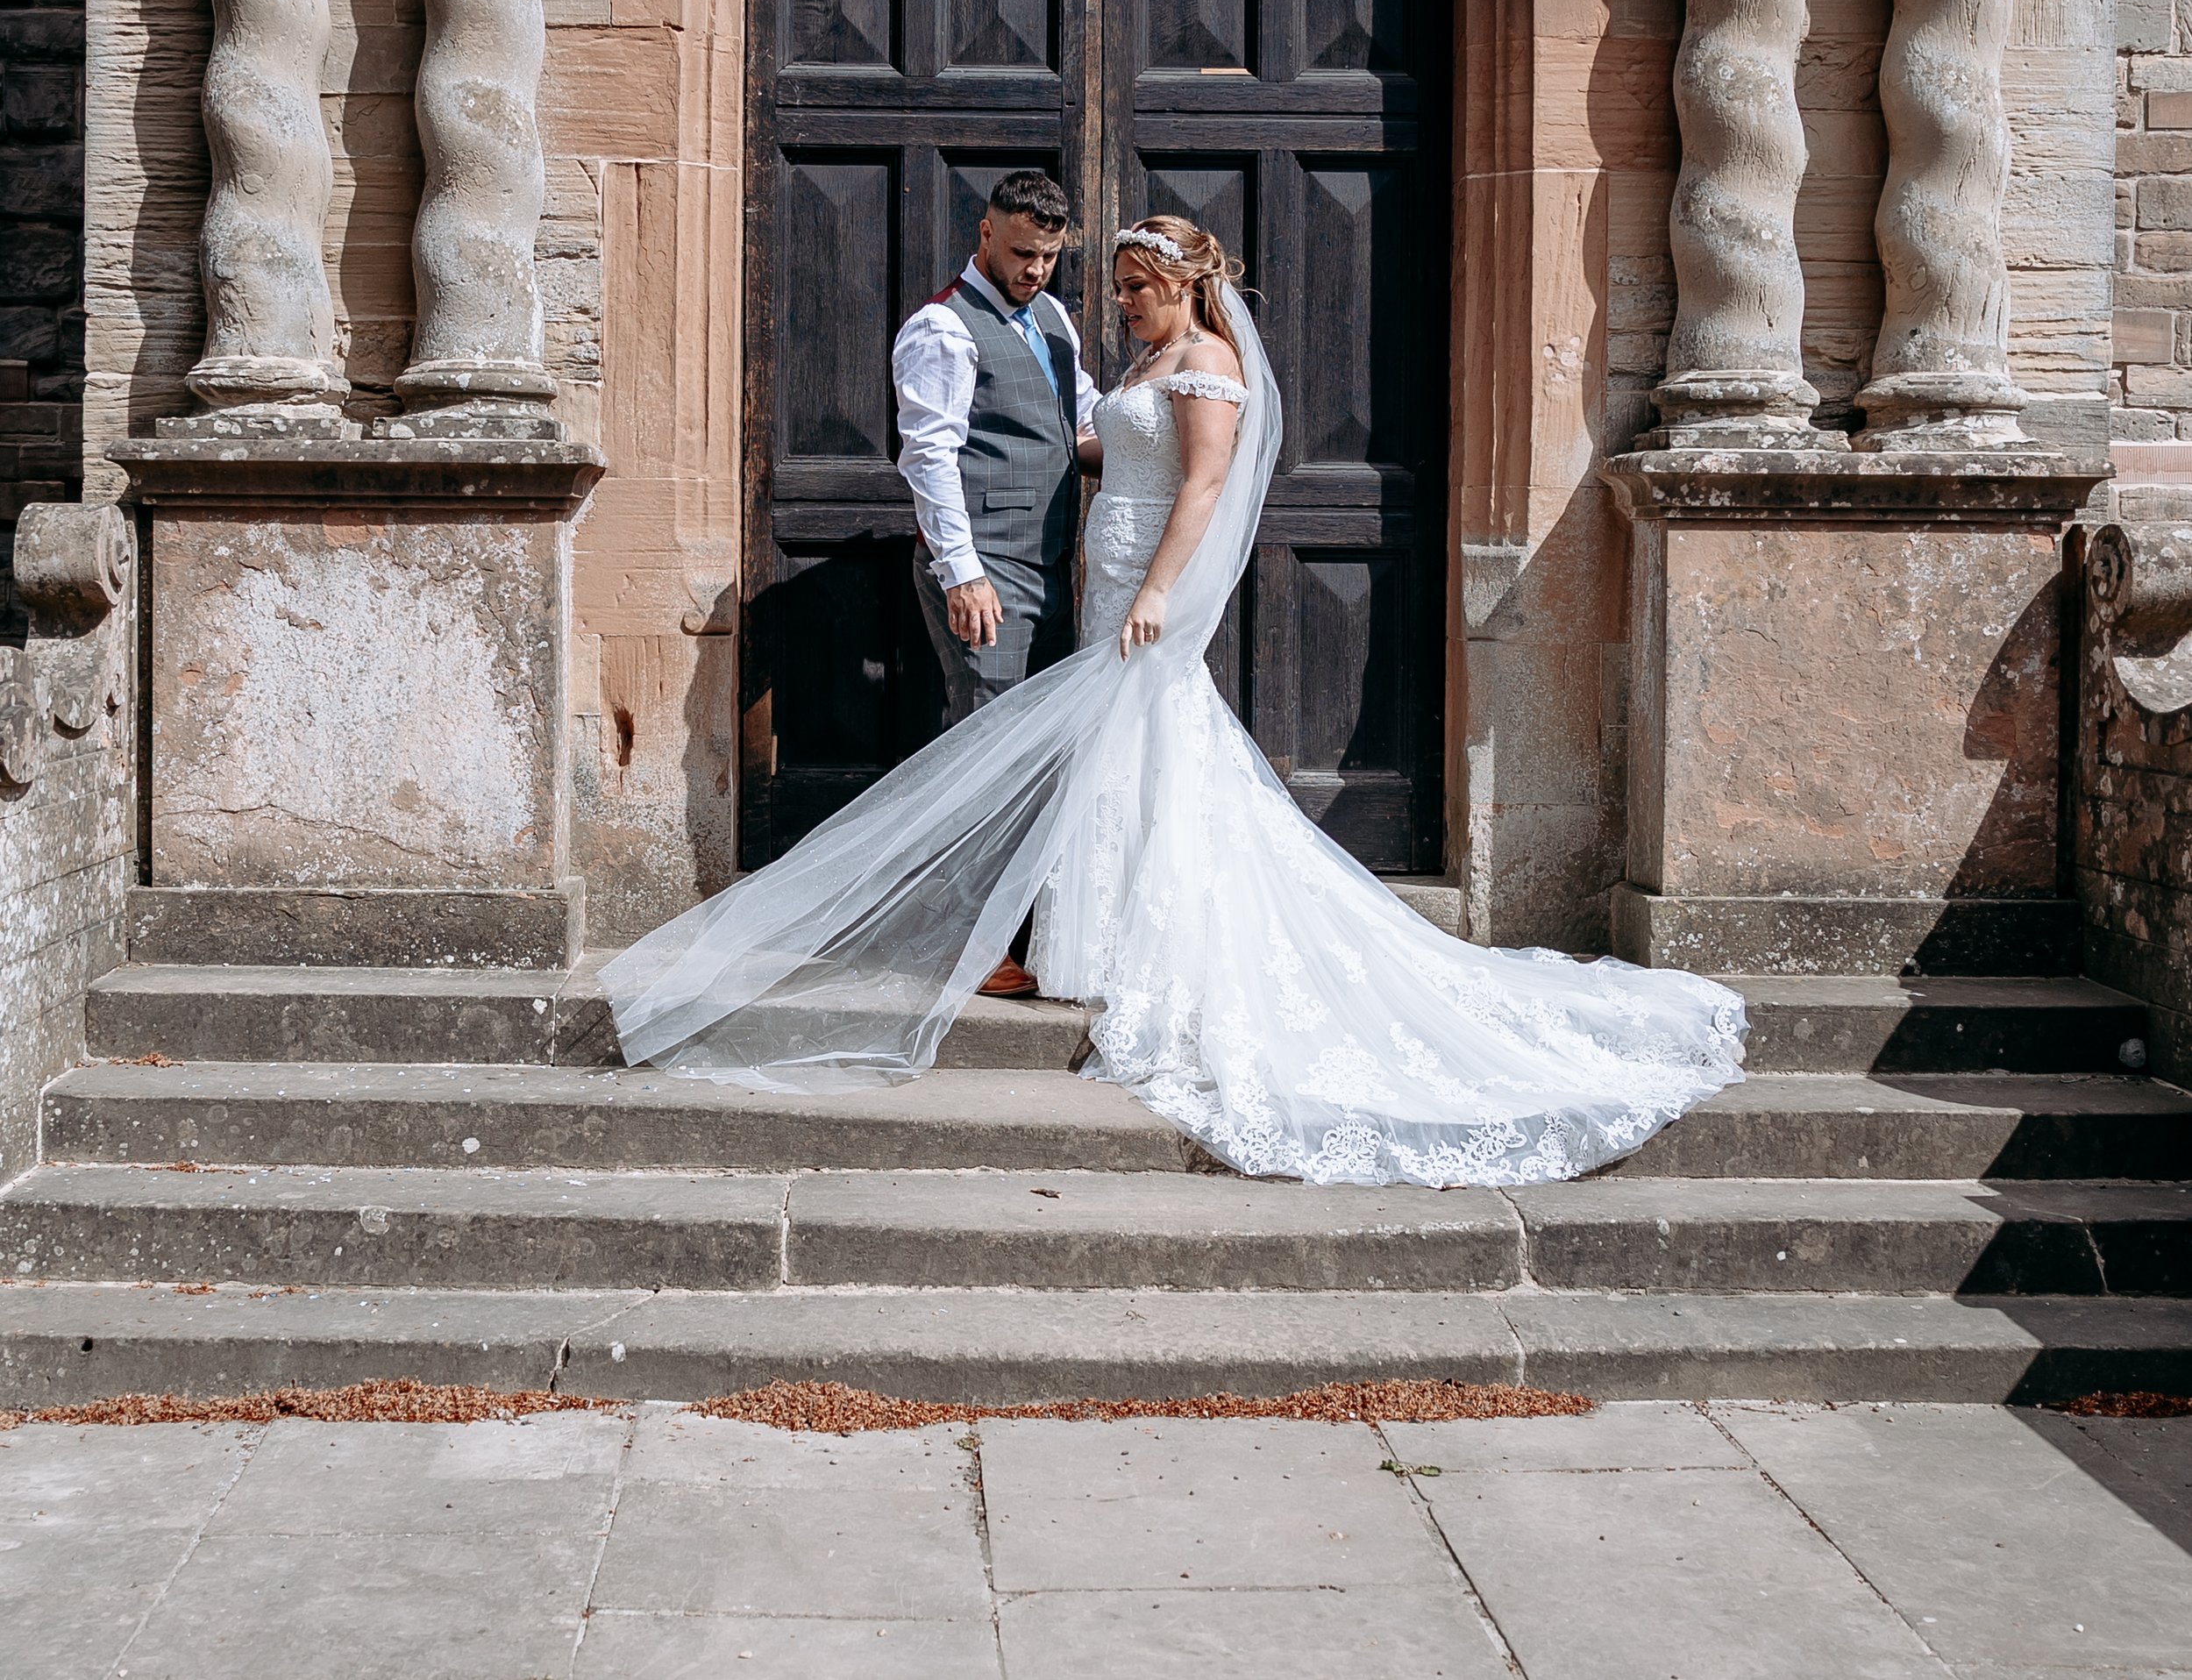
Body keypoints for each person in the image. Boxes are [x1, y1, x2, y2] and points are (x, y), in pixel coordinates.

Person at [602, 217, 1747, 1185]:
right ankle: (1088, 946)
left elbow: (1202, 485)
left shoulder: (1208, 368)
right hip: (1105, 570)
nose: (1124, 308)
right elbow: (1094, 443)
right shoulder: (1145, 366)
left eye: (1140, 292)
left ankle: (1142, 949)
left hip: (1148, 580)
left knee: (1154, 743)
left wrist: (1158, 592)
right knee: (1118, 757)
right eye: (1119, 293)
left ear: (1187, 287)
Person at [888, 167, 1099, 995]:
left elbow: (1079, 426)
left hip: (1050, 566)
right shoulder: (942, 328)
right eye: (1021, 253)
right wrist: (963, 574)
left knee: (1040, 754)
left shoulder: (1051, 318)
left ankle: (1022, 926)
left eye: (1047, 256)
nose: (1034, 270)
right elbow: (929, 456)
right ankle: (966, 944)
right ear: (985, 233)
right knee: (986, 749)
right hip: (984, 571)